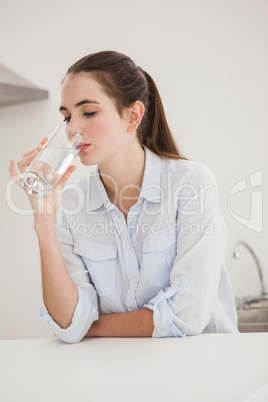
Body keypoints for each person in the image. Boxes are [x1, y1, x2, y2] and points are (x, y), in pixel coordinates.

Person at [9, 50, 238, 343]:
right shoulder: (70, 204)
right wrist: (44, 221)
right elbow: (68, 323)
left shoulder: (191, 184)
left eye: (88, 112)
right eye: (67, 117)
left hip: (202, 369)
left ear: (133, 116)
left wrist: (91, 326)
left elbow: (187, 315)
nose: (72, 130)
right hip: (121, 373)